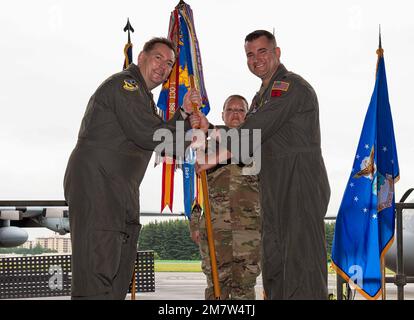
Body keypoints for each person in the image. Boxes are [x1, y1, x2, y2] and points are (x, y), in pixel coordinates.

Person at [196, 30, 330, 299]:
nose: (256, 58)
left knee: (300, 269)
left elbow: (255, 129)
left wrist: (216, 155)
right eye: (249, 54)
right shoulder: (260, 99)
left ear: (277, 53)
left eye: (262, 51)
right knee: (275, 269)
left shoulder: (290, 87)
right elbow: (250, 140)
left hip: (298, 187)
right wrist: (209, 129)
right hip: (273, 192)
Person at [64, 37, 201, 299]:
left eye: (170, 63)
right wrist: (197, 136)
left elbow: (157, 132)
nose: (164, 66)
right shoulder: (124, 85)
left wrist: (183, 114)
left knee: (119, 271)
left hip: (119, 189)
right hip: (100, 186)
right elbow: (152, 135)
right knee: (97, 271)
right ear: (141, 58)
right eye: (158, 58)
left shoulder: (142, 98)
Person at [189, 95, 261, 300]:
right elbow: (198, 188)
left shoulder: (256, 141)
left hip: (248, 231)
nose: (235, 114)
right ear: (222, 114)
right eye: (230, 110)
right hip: (215, 228)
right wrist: (195, 222)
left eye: (240, 110)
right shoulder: (206, 144)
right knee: (216, 288)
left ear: (247, 116)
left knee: (244, 287)